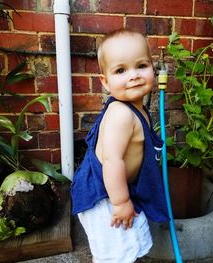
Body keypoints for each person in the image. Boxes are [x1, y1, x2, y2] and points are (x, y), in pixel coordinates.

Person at [71, 29, 169, 263]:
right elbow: (112, 161)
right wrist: (121, 202)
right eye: (121, 70)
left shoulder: (138, 109)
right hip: (105, 197)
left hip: (118, 190)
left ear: (152, 69)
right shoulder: (121, 115)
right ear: (105, 82)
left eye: (141, 66)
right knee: (113, 255)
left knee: (129, 247)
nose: (133, 75)